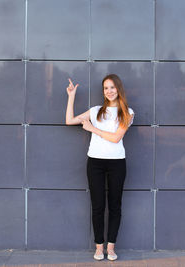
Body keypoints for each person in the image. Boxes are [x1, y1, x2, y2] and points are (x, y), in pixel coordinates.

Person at [65, 74, 134, 261]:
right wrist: (71, 97)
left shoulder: (127, 112)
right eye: (105, 88)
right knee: (97, 206)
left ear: (118, 89)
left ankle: (111, 247)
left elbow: (116, 138)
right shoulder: (95, 111)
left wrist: (92, 129)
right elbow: (69, 120)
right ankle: (98, 247)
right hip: (95, 162)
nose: (109, 91)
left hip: (117, 163)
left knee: (115, 205)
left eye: (112, 87)